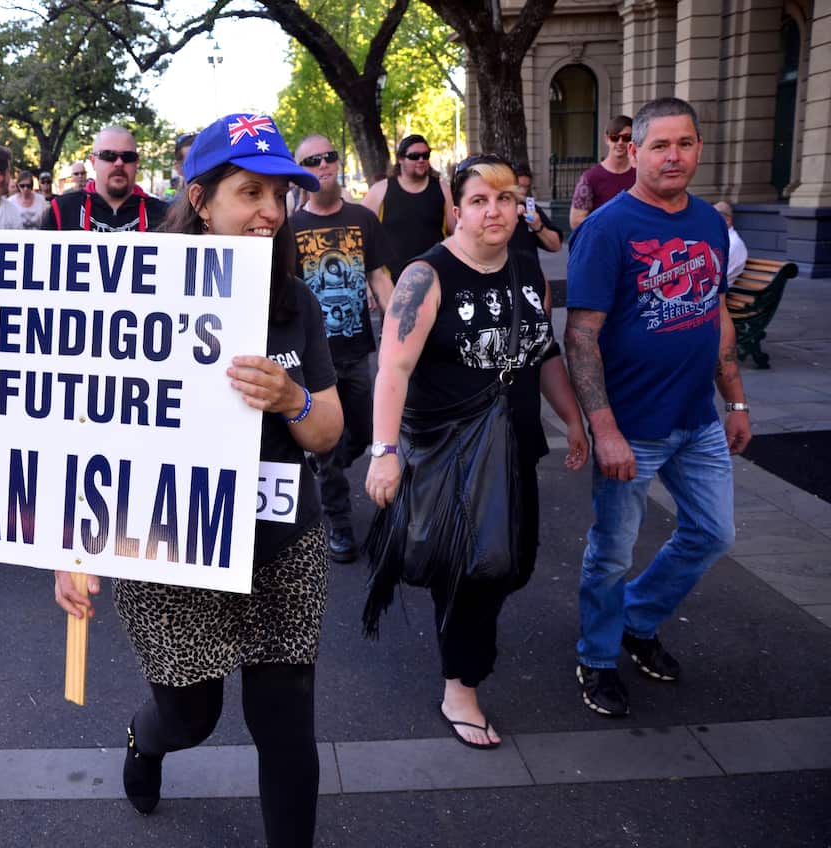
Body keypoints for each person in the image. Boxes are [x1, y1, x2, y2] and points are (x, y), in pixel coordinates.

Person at [54, 113, 341, 848]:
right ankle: (145, 741)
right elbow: (90, 428)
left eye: (281, 195)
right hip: (168, 546)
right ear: (202, 199)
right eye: (251, 193)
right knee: (192, 713)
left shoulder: (294, 302)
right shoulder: (140, 296)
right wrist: (76, 549)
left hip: (283, 547)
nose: (271, 212)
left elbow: (330, 431)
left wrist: (293, 399)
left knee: (286, 724)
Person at [364, 153, 589, 749]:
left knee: (510, 562)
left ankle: (461, 641)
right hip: (448, 452)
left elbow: (541, 353)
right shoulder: (426, 276)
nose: (495, 210)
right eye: (479, 201)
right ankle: (460, 686)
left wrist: (573, 419)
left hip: (512, 448)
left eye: (506, 199)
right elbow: (393, 368)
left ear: (521, 206)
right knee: (477, 569)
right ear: (456, 211)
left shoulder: (522, 267)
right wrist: (383, 451)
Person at [566, 97, 750, 717]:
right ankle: (596, 656)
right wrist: (604, 429)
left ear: (699, 148)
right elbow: (581, 334)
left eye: (686, 143)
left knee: (713, 532)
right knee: (612, 551)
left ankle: (635, 621)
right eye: (661, 145)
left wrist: (737, 399)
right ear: (634, 151)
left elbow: (716, 312)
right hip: (633, 428)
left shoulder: (708, 224)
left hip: (697, 419)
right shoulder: (607, 228)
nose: (675, 156)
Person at [290, 134, 397, 562]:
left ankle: (325, 463)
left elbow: (380, 278)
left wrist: (401, 333)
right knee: (327, 450)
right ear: (301, 171)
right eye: (311, 161)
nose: (322, 164)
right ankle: (338, 523)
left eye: (328, 156)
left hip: (357, 352)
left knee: (366, 434)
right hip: (315, 363)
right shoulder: (291, 227)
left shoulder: (362, 220)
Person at [361, 134, 457, 280]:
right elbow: (362, 235)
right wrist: (370, 281)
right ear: (400, 159)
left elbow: (457, 231)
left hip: (434, 276)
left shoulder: (442, 189)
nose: (421, 160)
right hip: (390, 280)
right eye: (414, 156)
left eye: (425, 155)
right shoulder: (380, 190)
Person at [42, 126, 167, 232]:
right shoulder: (62, 210)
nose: (119, 163)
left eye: (128, 157)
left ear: (137, 163)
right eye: (108, 155)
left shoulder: (165, 216)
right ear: (93, 161)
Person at [569, 115, 637, 231]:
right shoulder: (590, 178)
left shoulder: (641, 174)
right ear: (606, 139)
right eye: (615, 138)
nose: (620, 142)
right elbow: (576, 222)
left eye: (626, 138)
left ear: (633, 140)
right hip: (604, 243)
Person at [508, 163, 563, 277]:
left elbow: (555, 245)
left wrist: (538, 226)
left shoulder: (531, 209)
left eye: (526, 187)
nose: (522, 191)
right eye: (518, 186)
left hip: (529, 278)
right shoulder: (494, 211)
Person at [713, 201, 749, 284]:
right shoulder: (720, 239)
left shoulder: (733, 243)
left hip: (717, 292)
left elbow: (718, 276)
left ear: (727, 220)